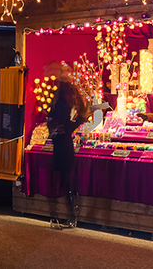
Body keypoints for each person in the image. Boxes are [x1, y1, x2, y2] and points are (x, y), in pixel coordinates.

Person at [44, 62, 87, 229]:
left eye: (67, 70)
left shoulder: (71, 92)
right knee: (62, 178)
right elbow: (52, 114)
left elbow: (81, 114)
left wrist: (66, 128)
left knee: (67, 179)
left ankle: (72, 216)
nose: (64, 73)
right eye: (63, 70)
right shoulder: (59, 92)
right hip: (59, 139)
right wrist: (54, 127)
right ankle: (66, 216)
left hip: (64, 140)